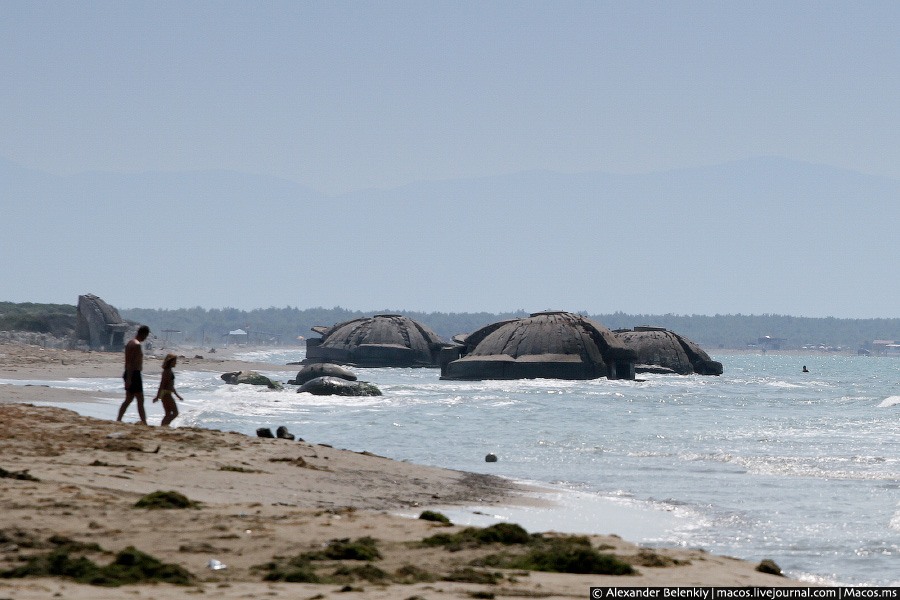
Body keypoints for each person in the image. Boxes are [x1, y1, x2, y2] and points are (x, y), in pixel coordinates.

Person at [117, 325, 150, 425]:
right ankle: (144, 422)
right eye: (146, 336)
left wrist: (128, 377)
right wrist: (129, 379)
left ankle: (119, 419)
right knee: (140, 399)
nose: (146, 338)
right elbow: (131, 363)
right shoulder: (136, 345)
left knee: (129, 399)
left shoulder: (130, 343)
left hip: (129, 373)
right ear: (143, 334)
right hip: (134, 374)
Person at [153, 353, 183, 427]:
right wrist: (157, 396)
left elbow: (172, 386)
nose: (176, 363)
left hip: (167, 393)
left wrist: (177, 396)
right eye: (175, 361)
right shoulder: (167, 372)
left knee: (168, 413)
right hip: (166, 394)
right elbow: (162, 385)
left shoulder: (169, 371)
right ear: (170, 361)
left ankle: (164, 426)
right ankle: (164, 425)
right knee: (175, 413)